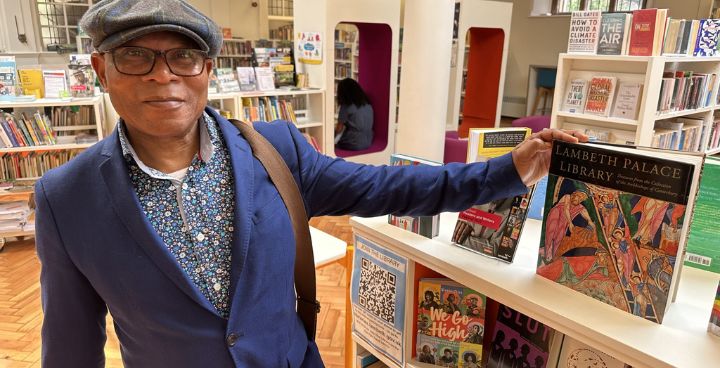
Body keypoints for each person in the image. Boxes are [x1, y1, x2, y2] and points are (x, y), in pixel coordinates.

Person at [34, 1, 585, 367]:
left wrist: (509, 170)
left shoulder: (274, 152)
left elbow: (390, 189)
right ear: (100, 69)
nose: (163, 75)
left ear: (207, 69)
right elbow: (70, 342)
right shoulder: (65, 198)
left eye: (184, 55)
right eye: (135, 56)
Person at [334, 77, 374, 150]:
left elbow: (339, 129)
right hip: (368, 141)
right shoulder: (367, 104)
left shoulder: (346, 106)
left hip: (353, 143)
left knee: (331, 147)